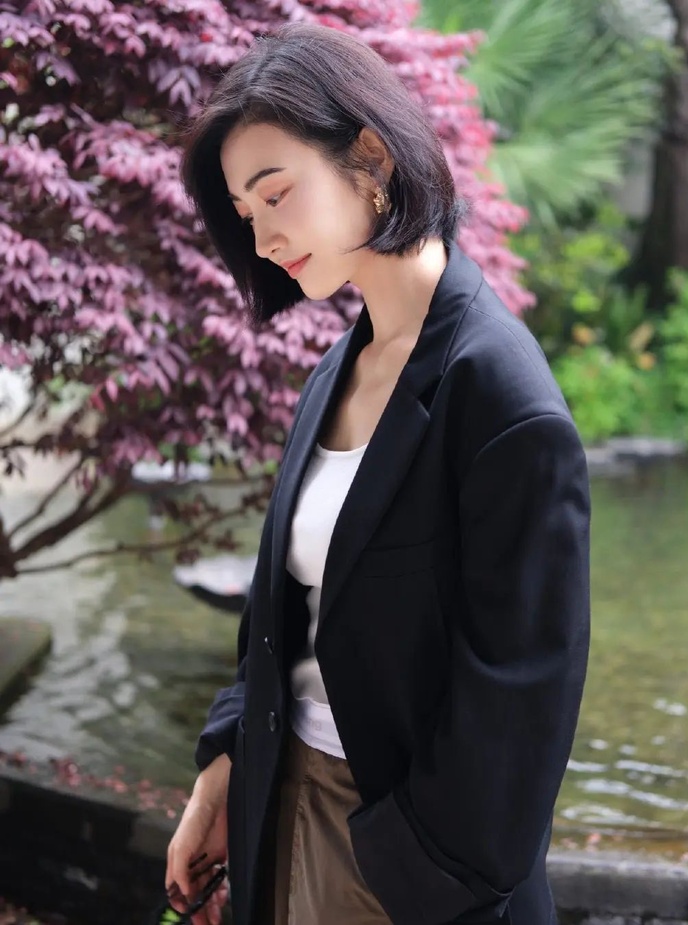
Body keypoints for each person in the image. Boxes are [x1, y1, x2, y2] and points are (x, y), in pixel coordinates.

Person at [166, 20, 590, 925]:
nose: (264, 236)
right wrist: (225, 769)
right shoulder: (341, 368)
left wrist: (403, 868)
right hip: (282, 806)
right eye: (246, 213)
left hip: (406, 864)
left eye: (277, 193)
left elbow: (521, 698)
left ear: (369, 156)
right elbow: (280, 614)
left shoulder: (502, 396)